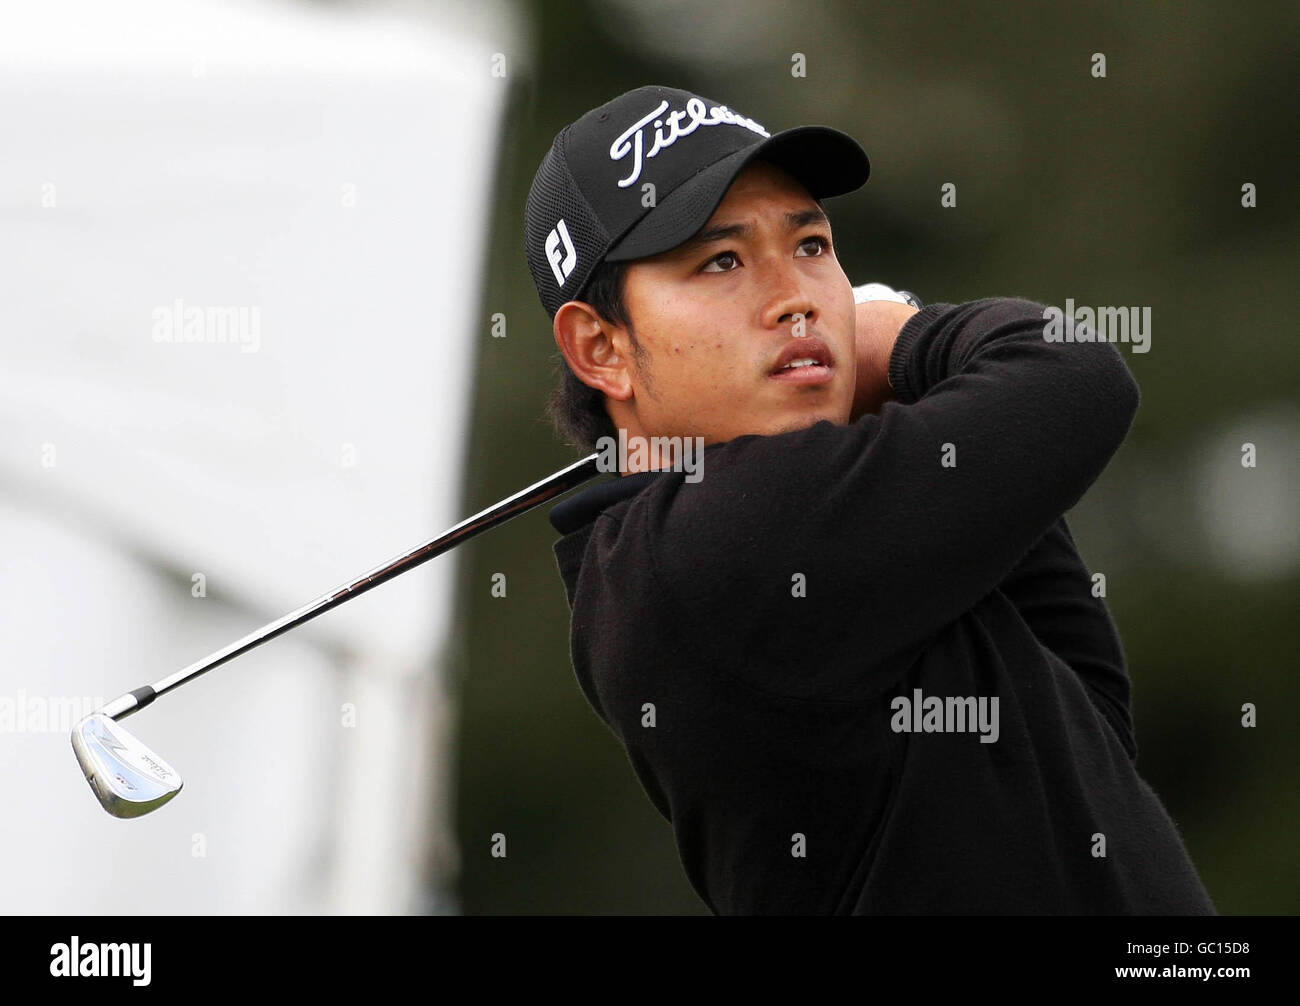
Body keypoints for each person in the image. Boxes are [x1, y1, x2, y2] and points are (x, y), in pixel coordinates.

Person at [523, 83, 1216, 915]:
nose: (798, 297)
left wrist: (894, 393)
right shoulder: (695, 556)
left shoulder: (820, 525)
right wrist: (908, 339)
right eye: (721, 261)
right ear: (601, 349)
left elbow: (1086, 734)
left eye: (811, 245)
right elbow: (1076, 375)